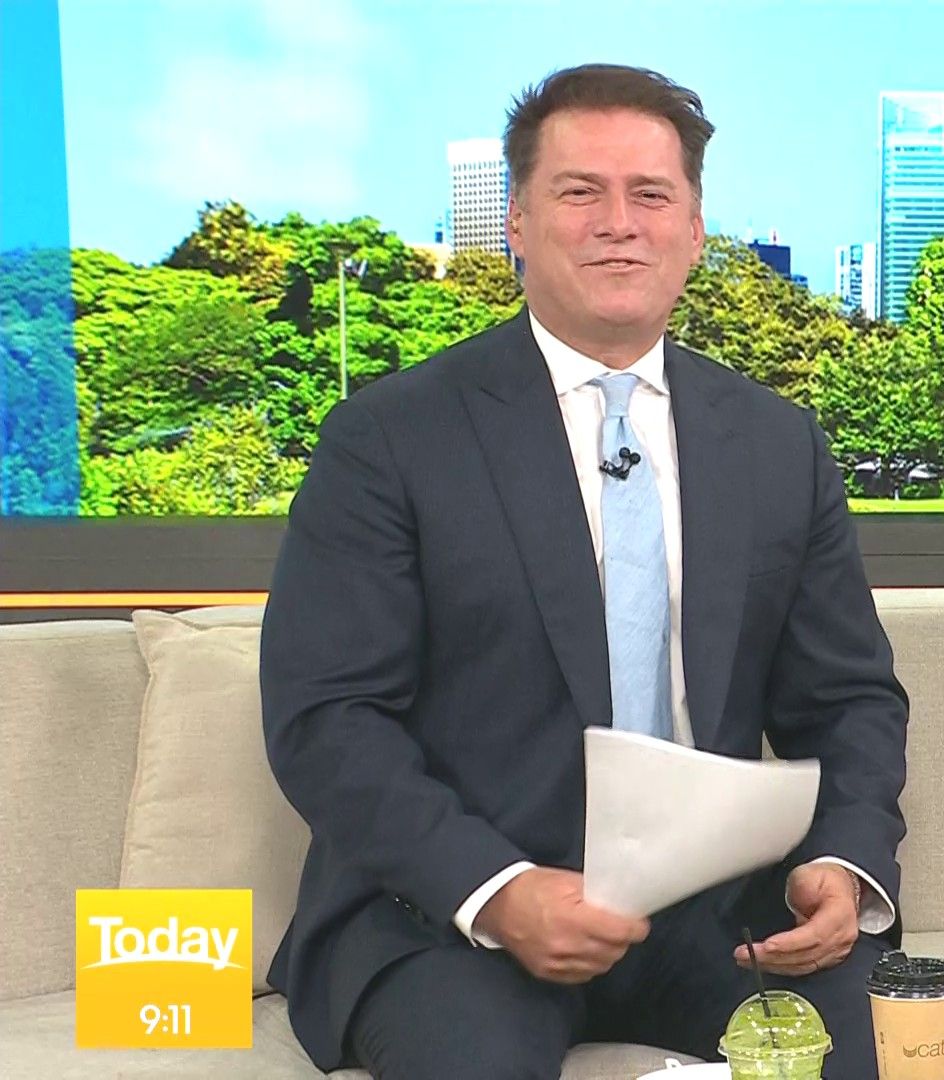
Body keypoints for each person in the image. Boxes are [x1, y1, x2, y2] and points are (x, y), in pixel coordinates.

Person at [260, 64, 908, 1079]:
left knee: (870, 1050)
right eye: (580, 192)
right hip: (452, 917)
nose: (619, 224)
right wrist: (499, 890)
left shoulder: (779, 446)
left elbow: (849, 700)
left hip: (718, 915)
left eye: (650, 195)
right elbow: (327, 718)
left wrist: (841, 859)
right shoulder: (388, 439)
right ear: (517, 223)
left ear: (694, 230)